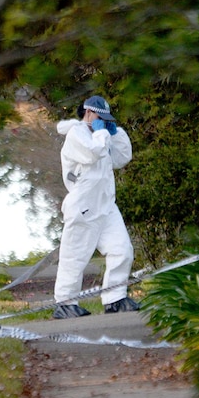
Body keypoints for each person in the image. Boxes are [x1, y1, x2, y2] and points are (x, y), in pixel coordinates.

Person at [52, 95, 140, 319]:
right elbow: (93, 153)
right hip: (84, 205)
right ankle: (65, 303)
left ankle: (115, 299)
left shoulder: (102, 135)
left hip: (107, 205)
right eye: (102, 117)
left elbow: (122, 158)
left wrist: (114, 132)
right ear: (89, 113)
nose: (104, 122)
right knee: (75, 256)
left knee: (122, 250)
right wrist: (101, 134)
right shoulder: (77, 134)